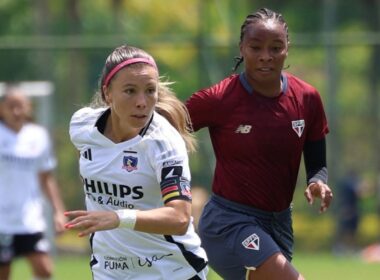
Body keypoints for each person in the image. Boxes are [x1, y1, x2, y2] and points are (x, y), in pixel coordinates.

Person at [185, 7, 333, 280]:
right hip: (229, 222)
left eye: (276, 47)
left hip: (279, 223)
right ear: (242, 48)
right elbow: (165, 129)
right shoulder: (220, 98)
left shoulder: (307, 98)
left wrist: (317, 181)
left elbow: (316, 159)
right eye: (256, 47)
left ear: (287, 48)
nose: (266, 56)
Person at [64, 45, 208, 280]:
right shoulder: (82, 126)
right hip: (109, 272)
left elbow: (180, 218)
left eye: (150, 91)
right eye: (130, 91)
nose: (142, 102)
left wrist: (117, 217)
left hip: (170, 271)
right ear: (107, 93)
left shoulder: (163, 142)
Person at [0, 85, 67, 280]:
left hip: (29, 219)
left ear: (29, 107)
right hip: (2, 221)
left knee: (44, 269)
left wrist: (58, 212)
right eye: (11, 106)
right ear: (2, 108)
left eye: (20, 106)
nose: (16, 111)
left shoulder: (38, 136)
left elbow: (46, 177)